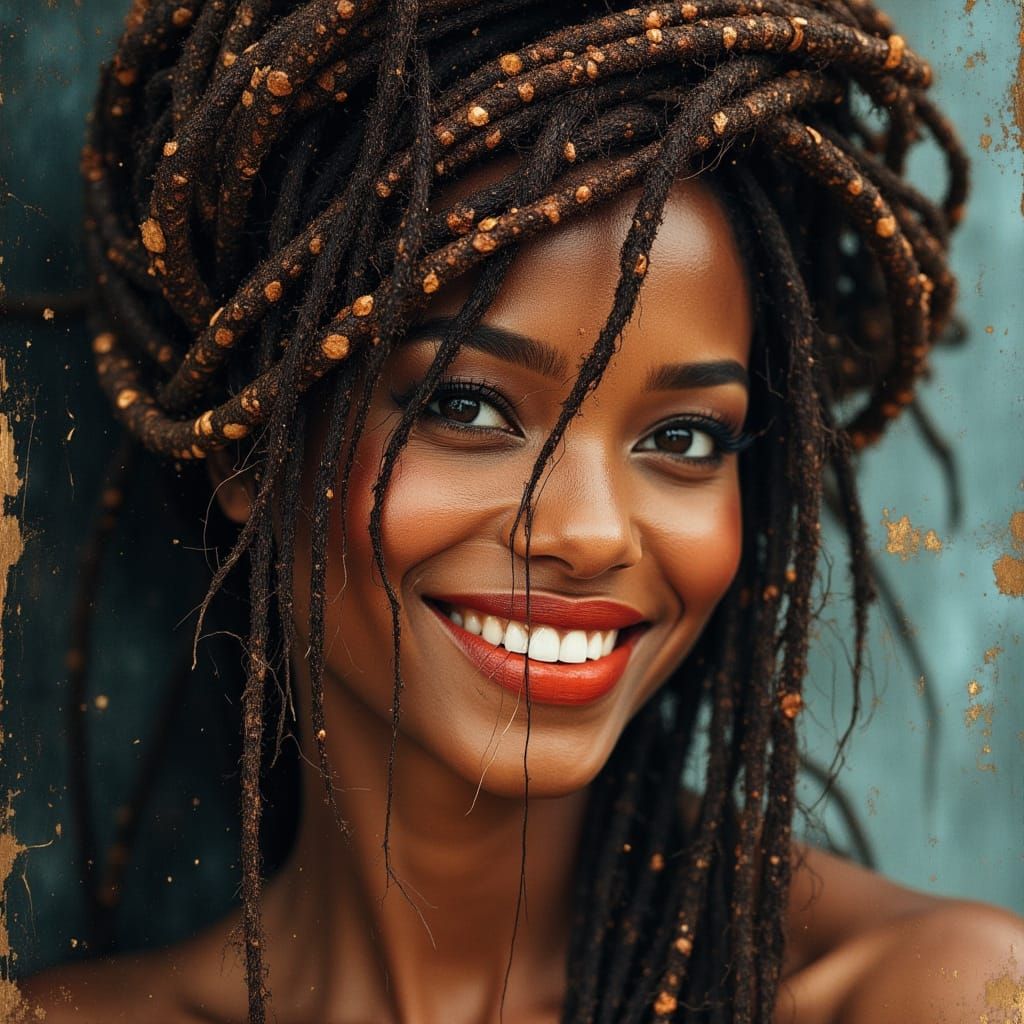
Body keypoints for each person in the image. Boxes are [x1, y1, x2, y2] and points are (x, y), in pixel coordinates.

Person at [21, 0, 1024, 1021]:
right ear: (250, 443)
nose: (591, 533)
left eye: (683, 438)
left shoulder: (931, 996)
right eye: (467, 407)